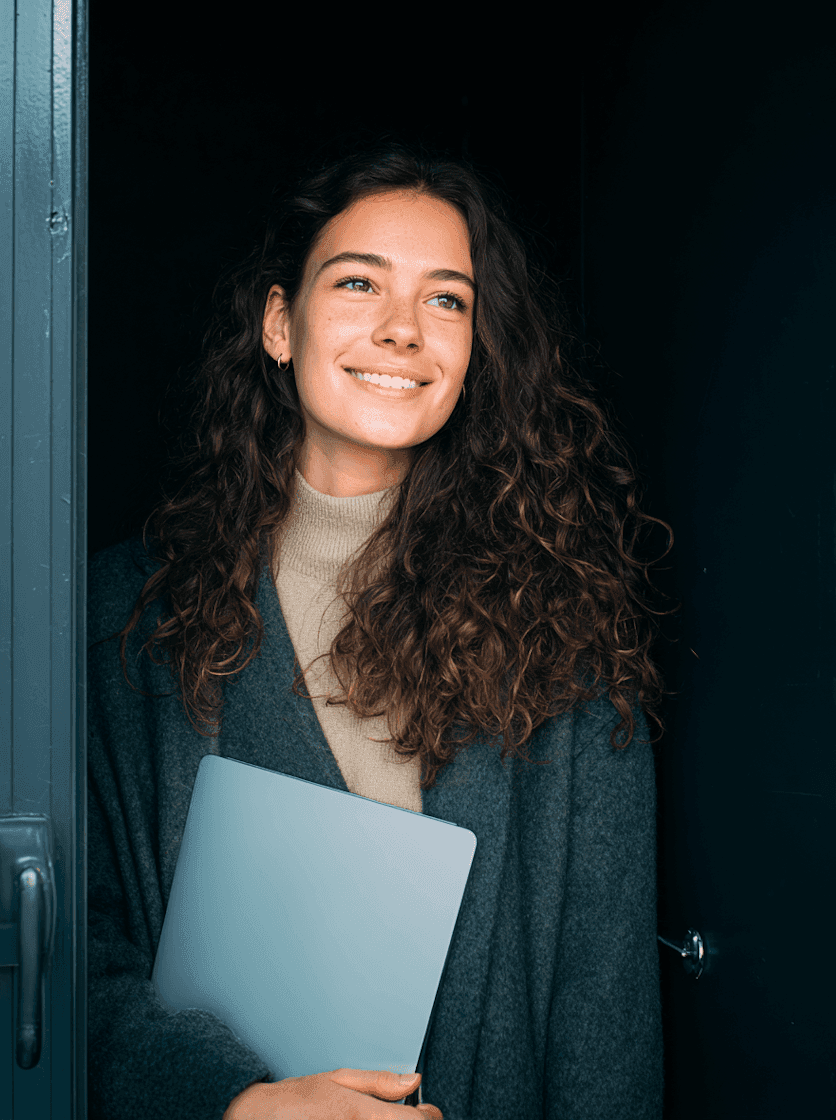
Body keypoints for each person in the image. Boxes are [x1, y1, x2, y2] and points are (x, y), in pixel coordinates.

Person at [87, 131, 670, 1120]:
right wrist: (224, 1101)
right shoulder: (126, 614)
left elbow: (602, 1000)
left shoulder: (560, 630)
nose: (403, 329)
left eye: (446, 298)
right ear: (279, 323)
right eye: (358, 284)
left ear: (474, 348)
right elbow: (62, 954)